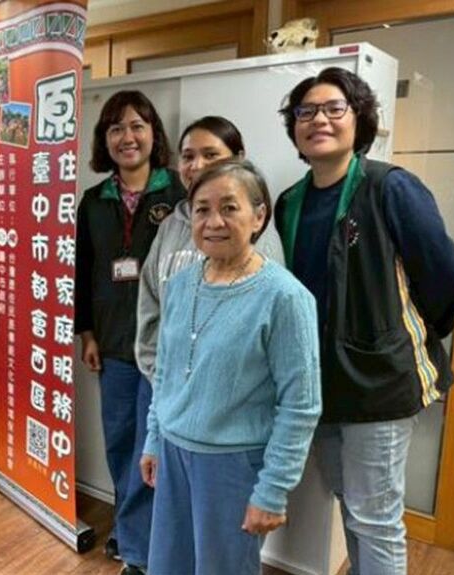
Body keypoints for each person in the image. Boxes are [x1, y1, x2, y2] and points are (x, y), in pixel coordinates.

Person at [276, 67, 454, 574]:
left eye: (334, 108)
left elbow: (445, 278)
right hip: (320, 383)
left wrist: (397, 341)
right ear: (294, 127)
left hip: (378, 383)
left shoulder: (390, 187)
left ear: (359, 119)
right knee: (352, 506)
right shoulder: (289, 202)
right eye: (306, 111)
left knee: (375, 518)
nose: (319, 119)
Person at [140, 160, 322, 575]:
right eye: (202, 209)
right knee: (167, 566)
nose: (213, 221)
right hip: (173, 453)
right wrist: (154, 439)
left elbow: (301, 406)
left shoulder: (285, 297)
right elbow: (165, 373)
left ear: (258, 216)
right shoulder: (181, 284)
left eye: (229, 208)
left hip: (232, 466)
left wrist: (273, 489)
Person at [74, 90, 185, 575]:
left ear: (154, 134)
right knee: (121, 442)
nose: (128, 137)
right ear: (105, 139)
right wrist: (87, 333)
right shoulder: (94, 201)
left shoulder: (179, 194)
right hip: (114, 343)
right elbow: (83, 271)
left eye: (138, 125)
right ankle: (129, 527)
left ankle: (139, 547)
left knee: (150, 447)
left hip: (165, 345)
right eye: (116, 128)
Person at [135, 116, 246, 383]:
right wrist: (158, 376)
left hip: (225, 390)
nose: (197, 166)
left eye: (211, 155)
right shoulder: (170, 225)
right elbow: (150, 303)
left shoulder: (250, 224)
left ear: (238, 160)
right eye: (188, 157)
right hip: (165, 384)